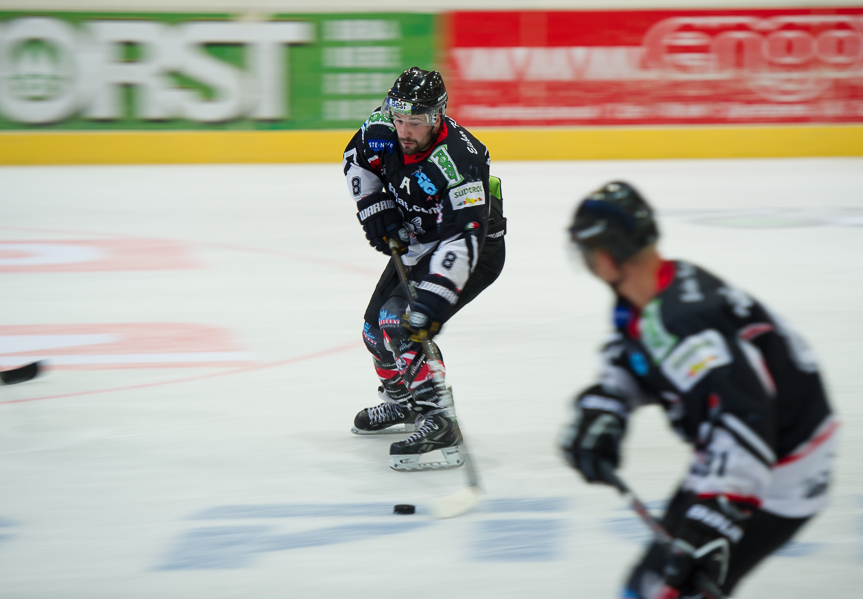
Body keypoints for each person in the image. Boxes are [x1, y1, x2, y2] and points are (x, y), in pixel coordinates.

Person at [560, 181, 836, 598]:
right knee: (650, 584)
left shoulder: (686, 321)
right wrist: (608, 405)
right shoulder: (658, 290)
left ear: (605, 255)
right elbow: (637, 350)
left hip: (782, 473)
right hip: (745, 457)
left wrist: (716, 519)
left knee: (670, 587)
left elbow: (745, 419)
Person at [341, 66, 506, 471]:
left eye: (415, 122)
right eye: (399, 119)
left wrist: (434, 299)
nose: (404, 129)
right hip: (420, 240)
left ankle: (439, 424)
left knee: (402, 321)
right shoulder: (382, 126)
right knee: (372, 332)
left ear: (437, 116)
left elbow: (465, 238)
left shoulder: (460, 161)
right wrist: (374, 207)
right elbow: (355, 159)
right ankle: (404, 404)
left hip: (470, 249)